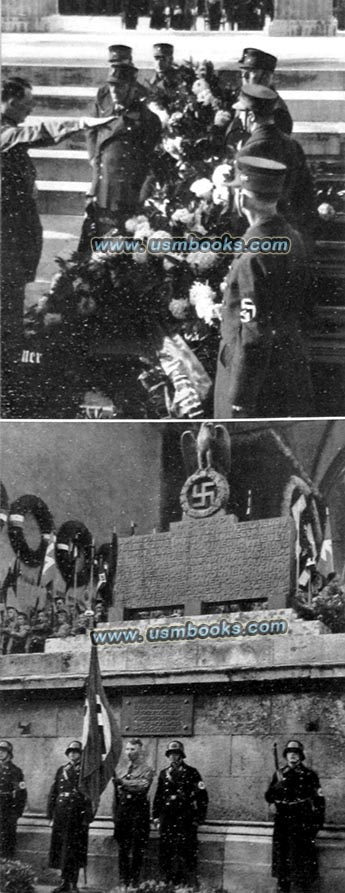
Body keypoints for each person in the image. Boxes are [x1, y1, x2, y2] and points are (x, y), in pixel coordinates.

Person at [0, 77, 117, 416]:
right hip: (5, 248)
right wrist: (79, 124)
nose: (31, 108)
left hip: (14, 247)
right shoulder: (6, 132)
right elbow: (35, 132)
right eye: (26, 102)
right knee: (6, 322)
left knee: (10, 318)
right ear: (8, 101)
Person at [214, 156, 315, 419]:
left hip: (255, 380)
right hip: (287, 365)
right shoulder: (292, 237)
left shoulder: (254, 250)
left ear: (243, 199)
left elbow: (254, 330)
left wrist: (241, 394)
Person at [81, 49, 161, 246]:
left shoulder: (147, 120)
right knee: (97, 251)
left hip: (127, 196)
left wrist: (143, 197)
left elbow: (151, 162)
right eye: (112, 86)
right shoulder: (106, 115)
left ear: (133, 88)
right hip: (102, 193)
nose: (114, 91)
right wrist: (92, 190)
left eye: (120, 87)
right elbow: (99, 155)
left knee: (123, 253)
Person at [232, 83, 317, 242]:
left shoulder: (248, 151)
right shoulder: (292, 144)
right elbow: (306, 194)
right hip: (292, 231)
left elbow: (247, 205)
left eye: (240, 113)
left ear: (250, 116)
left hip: (264, 235)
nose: (238, 117)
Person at [265, 739, 325, 893]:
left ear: (301, 756)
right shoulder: (279, 774)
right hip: (283, 823)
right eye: (290, 753)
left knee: (302, 863)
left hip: (301, 822)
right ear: (286, 756)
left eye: (296, 753)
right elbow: (269, 795)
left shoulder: (309, 775)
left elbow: (319, 801)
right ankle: (282, 889)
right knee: (282, 861)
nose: (293, 756)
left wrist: (315, 826)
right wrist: (273, 798)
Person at [152, 740, 208, 887]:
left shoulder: (192, 772)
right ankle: (168, 881)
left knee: (186, 850)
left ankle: (186, 883)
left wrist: (199, 818)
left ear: (181, 756)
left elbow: (202, 796)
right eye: (170, 754)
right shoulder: (164, 773)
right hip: (168, 817)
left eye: (175, 754)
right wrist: (156, 816)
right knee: (167, 850)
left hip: (185, 817)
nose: (172, 757)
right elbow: (158, 797)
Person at [47, 740, 93, 893]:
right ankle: (64, 882)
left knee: (74, 850)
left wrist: (88, 816)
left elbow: (90, 795)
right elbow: (54, 792)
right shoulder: (62, 769)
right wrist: (50, 815)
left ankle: (73, 883)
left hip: (77, 814)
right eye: (70, 752)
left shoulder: (85, 770)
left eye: (76, 751)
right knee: (62, 849)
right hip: (61, 814)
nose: (73, 754)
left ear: (81, 754)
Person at [113, 738, 154, 886]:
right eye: (128, 749)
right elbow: (116, 797)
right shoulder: (120, 770)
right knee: (123, 851)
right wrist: (115, 817)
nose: (129, 752)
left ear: (140, 751)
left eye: (133, 749)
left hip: (138, 815)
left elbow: (142, 786)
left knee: (137, 851)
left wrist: (123, 783)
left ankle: (135, 883)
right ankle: (123, 882)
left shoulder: (147, 770)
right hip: (123, 815)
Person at [237, 47, 292, 135]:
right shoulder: (242, 99)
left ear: (266, 77)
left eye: (251, 72)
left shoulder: (277, 111)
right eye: (243, 72)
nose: (244, 76)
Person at [0, 740, 27, 859]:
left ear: (9, 753)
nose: (0, 753)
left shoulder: (15, 771)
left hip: (7, 810)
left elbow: (21, 793)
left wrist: (16, 813)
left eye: (3, 751)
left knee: (7, 842)